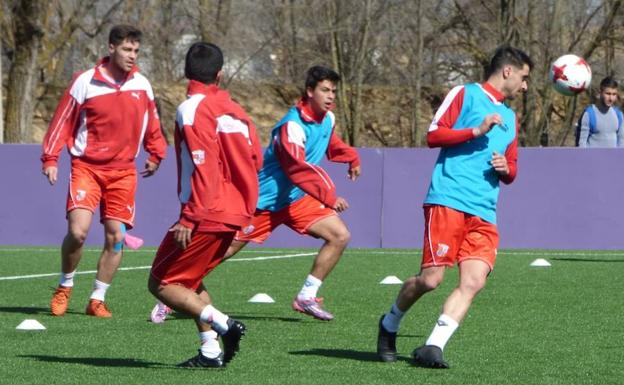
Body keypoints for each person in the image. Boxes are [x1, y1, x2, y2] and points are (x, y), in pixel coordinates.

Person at [150, 65, 360, 324]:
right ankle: (174, 292)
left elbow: (331, 143)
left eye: (333, 91)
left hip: (296, 199)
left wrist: (351, 158)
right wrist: (328, 196)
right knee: (222, 252)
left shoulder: (328, 118)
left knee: (340, 236)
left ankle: (306, 296)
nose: (330, 96)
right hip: (264, 202)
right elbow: (296, 168)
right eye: (325, 90)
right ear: (309, 91)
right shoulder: (291, 126)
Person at [376, 45, 533, 368]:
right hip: (448, 200)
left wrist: (506, 168)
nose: (525, 85)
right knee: (430, 280)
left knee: (474, 281)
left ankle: (433, 346)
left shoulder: (510, 117)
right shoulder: (465, 94)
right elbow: (433, 135)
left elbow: (513, 169)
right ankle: (389, 323)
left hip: (484, 211)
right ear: (508, 71)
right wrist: (475, 130)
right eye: (524, 77)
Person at [148, 42, 263, 368]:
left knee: (161, 283)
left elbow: (204, 165)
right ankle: (210, 351)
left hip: (205, 212)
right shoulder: (239, 113)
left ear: (186, 72)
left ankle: (226, 326)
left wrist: (189, 216)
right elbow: (256, 160)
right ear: (220, 74)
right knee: (191, 281)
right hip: (234, 213)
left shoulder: (192, 108)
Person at [41, 25, 167, 318]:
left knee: (116, 237)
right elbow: (62, 121)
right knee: (78, 231)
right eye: (126, 49)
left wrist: (156, 153)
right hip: (86, 168)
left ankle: (97, 298)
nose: (131, 56)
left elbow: (153, 124)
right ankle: (65, 285)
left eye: (136, 51)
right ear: (111, 48)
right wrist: (50, 158)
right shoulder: (85, 82)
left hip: (123, 172)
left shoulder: (142, 85)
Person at [576, 76, 623, 147]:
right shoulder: (589, 114)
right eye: (608, 94)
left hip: (612, 158)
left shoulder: (619, 115)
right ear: (600, 93)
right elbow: (581, 144)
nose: (611, 98)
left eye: (614, 94)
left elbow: (621, 142)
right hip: (592, 158)